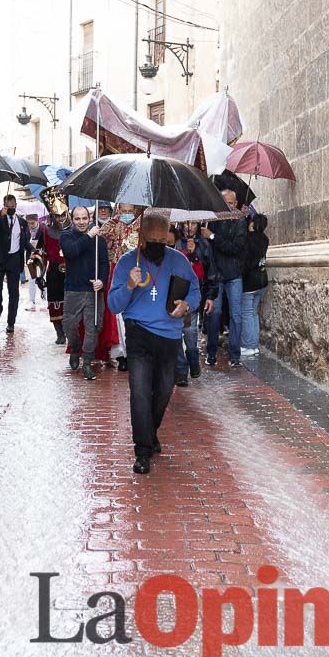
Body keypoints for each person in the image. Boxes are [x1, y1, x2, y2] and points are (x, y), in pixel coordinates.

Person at [107, 212, 200, 475]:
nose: (159, 244)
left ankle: (150, 432)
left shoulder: (178, 260)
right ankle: (142, 451)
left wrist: (186, 304)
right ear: (141, 238)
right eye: (153, 239)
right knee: (139, 391)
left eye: (163, 239)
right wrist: (128, 285)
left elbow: (194, 289)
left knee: (163, 391)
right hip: (138, 334)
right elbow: (114, 305)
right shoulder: (127, 263)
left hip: (169, 337)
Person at [60, 205, 110, 380]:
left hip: (93, 290)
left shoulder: (100, 240)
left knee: (93, 327)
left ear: (89, 218)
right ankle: (75, 347)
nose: (81, 222)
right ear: (72, 219)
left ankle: (87, 362)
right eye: (77, 218)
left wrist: (102, 281)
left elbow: (104, 263)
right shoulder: (66, 236)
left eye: (84, 218)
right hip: (73, 289)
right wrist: (89, 236)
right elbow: (71, 252)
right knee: (69, 325)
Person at [204, 189, 247, 367]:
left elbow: (235, 247)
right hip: (216, 274)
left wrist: (213, 237)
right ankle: (211, 353)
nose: (228, 206)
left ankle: (234, 355)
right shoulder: (212, 219)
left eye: (230, 202)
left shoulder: (240, 220)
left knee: (236, 315)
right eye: (224, 202)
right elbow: (207, 247)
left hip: (233, 273)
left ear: (235, 203)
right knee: (214, 314)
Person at [100, 203, 143, 371]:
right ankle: (120, 354)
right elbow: (101, 247)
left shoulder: (142, 224)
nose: (126, 214)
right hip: (117, 271)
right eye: (123, 211)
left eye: (130, 211)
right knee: (116, 317)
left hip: (138, 272)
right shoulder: (110, 225)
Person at [175, 221, 216, 386]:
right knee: (176, 335)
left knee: (190, 334)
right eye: (186, 223)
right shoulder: (176, 243)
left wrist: (210, 296)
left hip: (193, 296)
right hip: (176, 295)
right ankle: (181, 371)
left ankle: (193, 358)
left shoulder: (204, 245)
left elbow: (209, 272)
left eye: (193, 223)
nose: (189, 227)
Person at [0, 195, 32, 332]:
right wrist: (0, 215)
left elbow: (25, 242)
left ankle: (11, 322)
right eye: (8, 206)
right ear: (4, 205)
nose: (11, 209)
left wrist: (34, 250)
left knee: (14, 293)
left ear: (16, 205)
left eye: (13, 206)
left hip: (14, 260)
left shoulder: (22, 222)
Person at [35, 189, 70, 343]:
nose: (61, 218)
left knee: (71, 303)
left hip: (72, 272)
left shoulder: (75, 230)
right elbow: (39, 254)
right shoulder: (45, 232)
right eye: (58, 216)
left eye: (63, 215)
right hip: (54, 272)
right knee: (55, 303)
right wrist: (38, 276)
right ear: (52, 216)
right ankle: (59, 333)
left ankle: (70, 332)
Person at [240, 213, 270, 357]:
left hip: (250, 283)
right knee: (253, 313)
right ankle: (254, 345)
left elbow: (246, 262)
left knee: (247, 313)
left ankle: (249, 345)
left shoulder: (248, 239)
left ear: (253, 224)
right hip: (262, 280)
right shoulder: (264, 239)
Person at [25, 213, 42, 310]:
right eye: (29, 223)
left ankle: (45, 298)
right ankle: (32, 301)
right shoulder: (26, 231)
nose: (31, 225)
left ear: (37, 221)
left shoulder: (43, 230)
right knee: (31, 280)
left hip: (41, 258)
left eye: (33, 223)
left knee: (43, 278)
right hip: (30, 258)